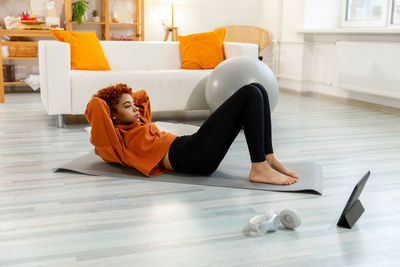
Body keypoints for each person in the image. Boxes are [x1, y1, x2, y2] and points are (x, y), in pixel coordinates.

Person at [85, 83, 298, 185]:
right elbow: (96, 106)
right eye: (128, 106)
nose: (136, 109)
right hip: (190, 156)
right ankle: (258, 167)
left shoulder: (138, 123)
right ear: (111, 115)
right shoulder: (116, 141)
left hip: (189, 147)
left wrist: (123, 97)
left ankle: (268, 157)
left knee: (258, 88)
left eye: (133, 105)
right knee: (249, 93)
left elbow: (141, 97)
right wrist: (108, 100)